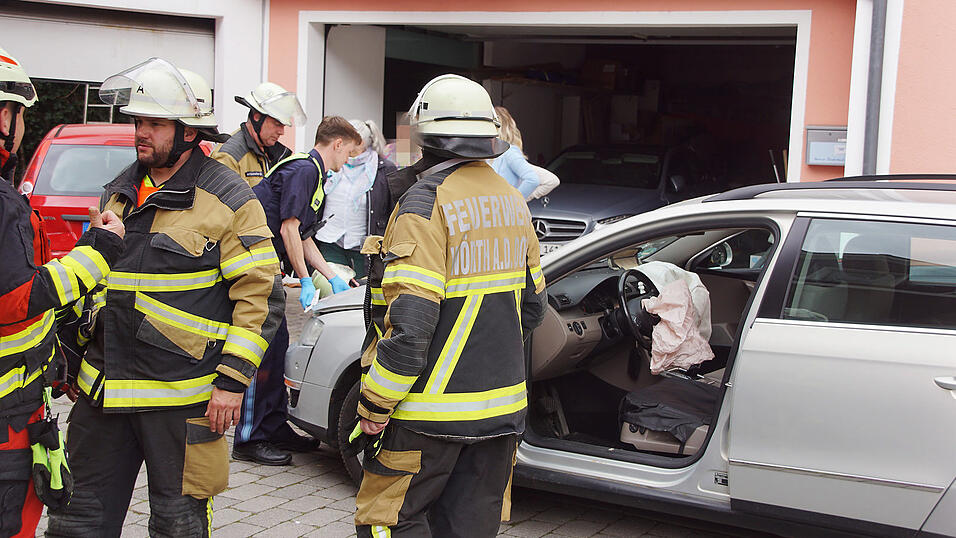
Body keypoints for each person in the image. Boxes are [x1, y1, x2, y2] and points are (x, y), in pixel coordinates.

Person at [45, 58, 284, 538]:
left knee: (179, 526)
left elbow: (262, 299)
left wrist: (233, 384)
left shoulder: (230, 198)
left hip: (184, 401)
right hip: (102, 394)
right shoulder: (120, 192)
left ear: (190, 132)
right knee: (77, 522)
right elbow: (95, 284)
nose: (142, 133)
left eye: (155, 123)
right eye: (138, 122)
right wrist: (67, 354)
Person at [351, 74, 548, 538]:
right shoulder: (512, 202)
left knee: (387, 523)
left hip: (426, 413)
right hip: (500, 412)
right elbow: (533, 310)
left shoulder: (423, 203)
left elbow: (410, 327)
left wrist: (375, 405)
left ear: (425, 135)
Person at [0, 45, 125, 538]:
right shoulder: (3, 205)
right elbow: (14, 301)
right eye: (20, 114)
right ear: (4, 117)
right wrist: (97, 252)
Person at [234, 116, 361, 466]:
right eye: (348, 152)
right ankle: (248, 437)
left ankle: (274, 426)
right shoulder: (306, 171)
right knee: (262, 348)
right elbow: (289, 229)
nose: (347, 160)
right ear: (337, 144)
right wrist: (305, 280)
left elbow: (303, 235)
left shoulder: (313, 174)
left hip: (265, 264)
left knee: (277, 348)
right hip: (254, 264)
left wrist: (331, 276)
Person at [315, 119, 397, 279]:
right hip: (330, 239)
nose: (349, 150)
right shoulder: (333, 162)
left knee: (357, 294)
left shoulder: (383, 168)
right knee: (328, 289)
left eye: (353, 146)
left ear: (363, 144)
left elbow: (392, 209)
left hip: (363, 247)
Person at [210, 82, 304, 187]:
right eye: (277, 124)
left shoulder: (272, 154)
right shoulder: (229, 156)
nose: (281, 132)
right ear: (257, 117)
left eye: (283, 126)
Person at [489, 106, 540, 200]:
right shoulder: (491, 153)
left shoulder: (509, 152)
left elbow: (533, 180)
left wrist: (514, 201)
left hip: (503, 211)